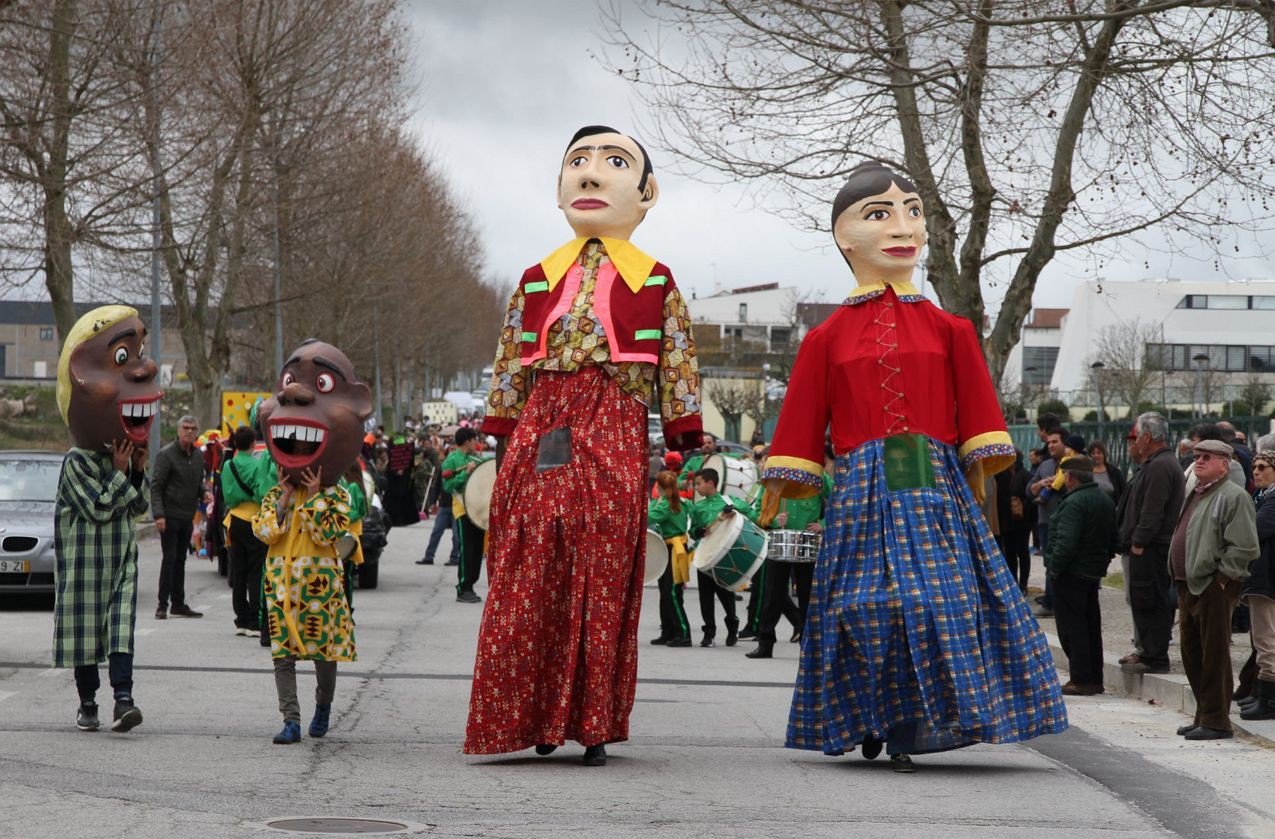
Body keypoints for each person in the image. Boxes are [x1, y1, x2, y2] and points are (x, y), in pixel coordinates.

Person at [758, 161, 1066, 773]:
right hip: (860, 490)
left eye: (913, 211)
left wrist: (980, 482)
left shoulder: (951, 328)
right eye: (880, 214)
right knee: (863, 605)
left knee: (940, 602)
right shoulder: (825, 338)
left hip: (932, 484)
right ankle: (872, 717)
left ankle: (920, 721)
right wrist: (790, 487)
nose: (903, 225)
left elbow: (978, 413)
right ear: (845, 238)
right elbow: (799, 423)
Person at [466, 125, 704, 766]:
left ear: (646, 192)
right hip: (542, 427)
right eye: (578, 163)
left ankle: (590, 720)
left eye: (614, 162)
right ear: (558, 187)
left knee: (601, 567)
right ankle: (533, 716)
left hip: (614, 423)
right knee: (527, 563)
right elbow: (509, 365)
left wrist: (684, 437)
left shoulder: (656, 280)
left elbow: (678, 363)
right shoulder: (535, 278)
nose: (592, 176)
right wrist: (501, 432)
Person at [253, 339, 373, 745]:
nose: (299, 450)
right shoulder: (274, 495)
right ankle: (290, 719)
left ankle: (323, 707)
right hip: (281, 587)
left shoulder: (336, 495)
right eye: (295, 446)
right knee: (282, 657)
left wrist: (316, 495)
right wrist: (286, 500)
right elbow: (265, 532)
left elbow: (328, 532)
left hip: (319, 590)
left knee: (324, 656)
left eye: (306, 447)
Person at [52, 305, 162, 733]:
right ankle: (88, 702)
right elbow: (97, 507)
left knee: (120, 631)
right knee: (84, 637)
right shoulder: (76, 463)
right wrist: (119, 474)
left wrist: (134, 470)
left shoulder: (125, 459)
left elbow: (136, 507)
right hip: (83, 570)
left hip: (119, 561)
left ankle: (124, 698)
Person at [1171, 439, 1259, 740]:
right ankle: (1203, 713)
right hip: (1188, 585)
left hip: (1212, 587)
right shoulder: (1198, 493)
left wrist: (1222, 579)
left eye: (1207, 457)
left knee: (1214, 654)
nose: (1199, 461)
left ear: (1225, 463)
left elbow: (1245, 545)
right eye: (1196, 456)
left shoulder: (1233, 496)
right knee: (1192, 652)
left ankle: (1217, 721)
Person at [1117, 412, 1187, 676]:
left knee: (1151, 600)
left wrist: (1139, 541)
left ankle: (1155, 656)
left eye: (1138, 434)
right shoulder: (1157, 463)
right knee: (1143, 600)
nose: (1135, 440)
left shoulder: (1161, 465)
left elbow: (1152, 511)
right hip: (1148, 547)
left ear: (1147, 436)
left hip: (1152, 548)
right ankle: (1146, 650)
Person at [1044, 455, 1119, 696]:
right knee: (1090, 626)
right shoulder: (1103, 499)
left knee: (1072, 628)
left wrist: (1054, 568)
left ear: (1070, 476)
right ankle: (1094, 678)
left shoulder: (1074, 502)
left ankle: (1081, 679)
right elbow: (1113, 540)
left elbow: (1066, 542)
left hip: (1070, 573)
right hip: (1091, 573)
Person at [745, 456, 829, 659]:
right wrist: (773, 519)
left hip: (807, 545)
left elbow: (839, 501)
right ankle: (765, 643)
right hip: (779, 542)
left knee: (808, 597)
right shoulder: (774, 478)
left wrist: (823, 524)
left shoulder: (818, 477)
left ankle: (808, 645)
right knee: (772, 596)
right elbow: (757, 512)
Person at [151, 415, 205, 620]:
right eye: (185, 428)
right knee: (169, 559)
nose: (189, 432)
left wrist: (203, 492)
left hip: (187, 515)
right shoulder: (166, 455)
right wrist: (158, 515)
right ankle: (162, 605)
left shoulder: (198, 455)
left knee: (181, 560)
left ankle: (178, 603)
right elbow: (156, 486)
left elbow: (197, 482)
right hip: (169, 514)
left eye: (193, 428)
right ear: (178, 430)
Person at [688, 467, 749, 648]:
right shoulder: (697, 507)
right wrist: (697, 531)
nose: (696, 488)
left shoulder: (729, 501)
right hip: (706, 555)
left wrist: (736, 510)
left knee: (725, 594)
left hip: (725, 556)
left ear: (710, 483)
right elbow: (693, 531)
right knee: (705, 596)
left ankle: (732, 625)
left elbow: (750, 513)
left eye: (699, 484)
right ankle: (709, 633)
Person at [221, 425, 268, 637]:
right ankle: (254, 620)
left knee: (238, 571)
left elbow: (225, 494)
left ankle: (240, 618)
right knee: (256, 571)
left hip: (233, 520)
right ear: (252, 444)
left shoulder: (228, 465)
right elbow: (261, 494)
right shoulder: (257, 466)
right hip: (253, 520)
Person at [1238, 451, 1275, 720]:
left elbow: (1253, 529)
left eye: (1263, 467)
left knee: (1267, 640)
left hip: (1267, 579)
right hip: (1260, 577)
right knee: (1263, 639)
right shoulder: (1262, 496)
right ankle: (1263, 695)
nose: (1256, 471)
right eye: (1254, 467)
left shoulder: (1273, 499)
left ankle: (1269, 701)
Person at [440, 427, 487, 603]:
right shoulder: (452, 460)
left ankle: (471, 586)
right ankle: (463, 587)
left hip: (478, 509)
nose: (476, 444)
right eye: (474, 440)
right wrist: (466, 474)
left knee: (477, 551)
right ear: (467, 441)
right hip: (463, 509)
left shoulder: (476, 458)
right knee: (466, 549)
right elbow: (448, 485)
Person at [647, 470, 692, 647]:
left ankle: (683, 633)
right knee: (665, 592)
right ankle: (668, 631)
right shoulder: (678, 501)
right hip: (669, 547)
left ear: (661, 487)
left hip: (675, 549)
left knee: (672, 593)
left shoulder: (666, 504)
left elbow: (649, 517)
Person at [1028, 427, 1068, 617]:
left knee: (1062, 564)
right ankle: (1049, 603)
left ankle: (1060, 603)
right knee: (1048, 564)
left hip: (1066, 521)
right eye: (1049, 442)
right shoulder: (1044, 466)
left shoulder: (1073, 463)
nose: (1050, 445)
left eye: (1055, 442)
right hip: (1045, 522)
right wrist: (1037, 486)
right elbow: (1029, 489)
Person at [994, 449, 1033, 592]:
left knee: (1022, 552)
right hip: (1007, 520)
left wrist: (1020, 505)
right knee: (1010, 553)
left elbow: (1030, 498)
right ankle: (1014, 584)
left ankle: (1022, 585)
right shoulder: (1001, 474)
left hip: (1022, 521)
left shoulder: (1024, 475)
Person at [1087, 440, 1126, 506]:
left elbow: (1124, 493)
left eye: (1099, 453)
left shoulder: (1114, 472)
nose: (1096, 455)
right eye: (1093, 453)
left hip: (1112, 512)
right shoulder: (1086, 472)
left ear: (1104, 454)